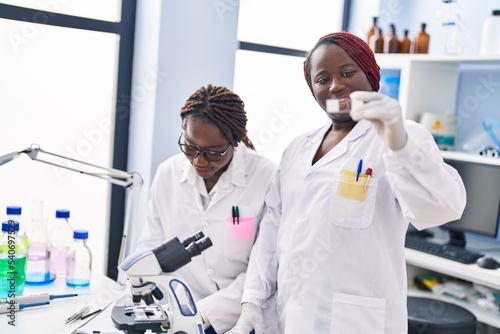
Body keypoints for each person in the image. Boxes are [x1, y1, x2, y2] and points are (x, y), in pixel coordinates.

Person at [226, 32, 466, 334]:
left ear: (370, 73)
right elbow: (271, 231)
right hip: (291, 318)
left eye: (347, 72)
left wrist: (399, 144)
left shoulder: (402, 135)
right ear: (313, 90)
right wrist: (251, 304)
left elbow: (443, 208)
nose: (336, 85)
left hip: (357, 323)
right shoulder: (297, 148)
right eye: (322, 79)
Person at [136, 84, 276, 334]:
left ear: (234, 140)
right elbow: (151, 247)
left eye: (213, 152)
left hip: (239, 318)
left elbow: (263, 265)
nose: (199, 161)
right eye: (190, 147)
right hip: (177, 311)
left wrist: (202, 313)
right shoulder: (167, 173)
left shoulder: (265, 176)